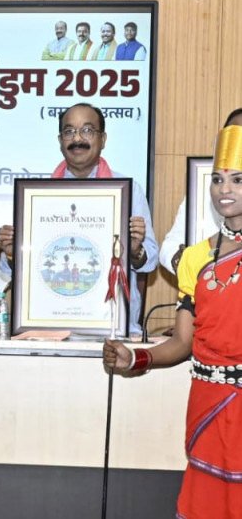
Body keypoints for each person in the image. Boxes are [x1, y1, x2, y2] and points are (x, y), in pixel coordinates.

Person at [102, 123, 242, 518]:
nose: (225, 189)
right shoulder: (195, 258)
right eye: (218, 179)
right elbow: (183, 342)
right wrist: (136, 358)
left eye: (238, 179)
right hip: (208, 405)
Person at [0, 103, 158, 333]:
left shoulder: (129, 192)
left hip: (111, 328)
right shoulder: (36, 197)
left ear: (103, 139)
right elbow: (10, 270)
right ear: (60, 140)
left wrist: (135, 250)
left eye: (87, 130)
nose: (77, 139)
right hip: (49, 327)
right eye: (69, 131)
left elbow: (150, 261)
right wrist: (13, 252)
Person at [159, 108, 242, 276]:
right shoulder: (207, 186)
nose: (225, 189)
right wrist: (193, 269)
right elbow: (169, 248)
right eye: (233, 133)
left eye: (237, 180)